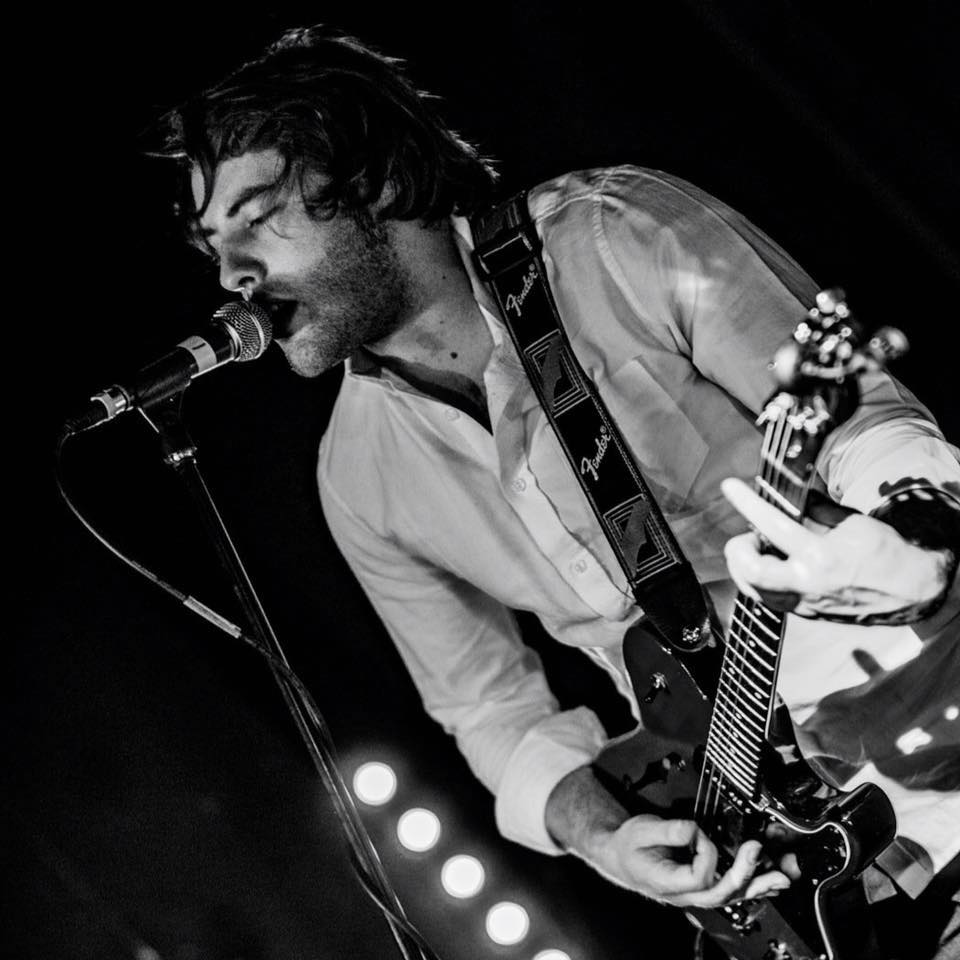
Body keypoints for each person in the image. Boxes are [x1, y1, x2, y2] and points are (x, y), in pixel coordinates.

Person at [157, 25, 960, 958]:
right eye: (214, 244)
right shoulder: (357, 476)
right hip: (789, 873)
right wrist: (604, 835)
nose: (229, 275)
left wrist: (910, 545)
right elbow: (490, 712)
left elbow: (872, 430)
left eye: (257, 217)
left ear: (372, 183)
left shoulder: (614, 238)